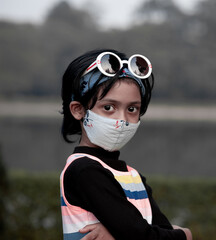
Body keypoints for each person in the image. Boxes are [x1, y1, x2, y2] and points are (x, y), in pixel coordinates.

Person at [60, 49, 192, 240]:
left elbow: (153, 232)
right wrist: (187, 234)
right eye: (108, 107)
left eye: (132, 109)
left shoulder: (132, 176)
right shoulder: (85, 170)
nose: (122, 120)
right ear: (79, 110)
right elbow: (145, 236)